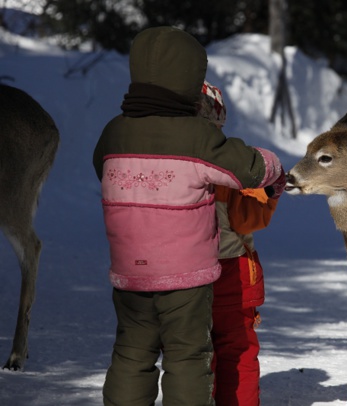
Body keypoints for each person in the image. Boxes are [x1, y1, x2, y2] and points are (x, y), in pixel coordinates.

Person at [92, 26, 285, 406]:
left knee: (132, 353)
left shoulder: (112, 133)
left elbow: (102, 166)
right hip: (186, 276)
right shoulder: (196, 136)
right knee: (187, 356)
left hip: (131, 272)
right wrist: (273, 165)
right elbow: (248, 171)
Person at [198, 82, 280, 405]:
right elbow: (247, 219)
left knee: (197, 354)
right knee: (239, 352)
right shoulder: (230, 161)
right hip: (232, 276)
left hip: (185, 276)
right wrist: (270, 195)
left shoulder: (175, 161)